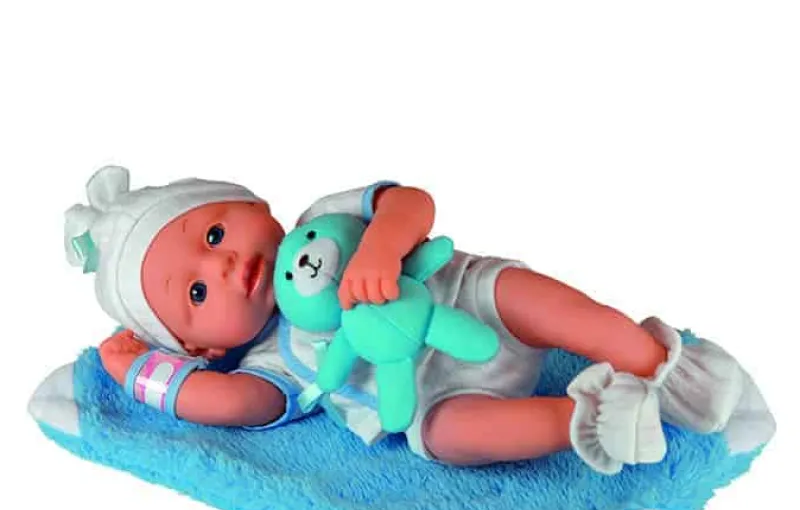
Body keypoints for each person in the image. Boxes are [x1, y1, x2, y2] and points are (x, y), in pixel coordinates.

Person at [66, 165, 745, 474]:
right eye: (195, 292)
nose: (220, 266)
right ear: (202, 350)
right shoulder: (276, 360)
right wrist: (139, 373)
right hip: (436, 398)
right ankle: (592, 419)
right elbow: (230, 404)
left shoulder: (323, 220)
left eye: (214, 235)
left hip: (471, 301)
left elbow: (410, 200)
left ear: (253, 205)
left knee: (541, 301)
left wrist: (384, 246)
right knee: (449, 437)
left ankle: (659, 365)